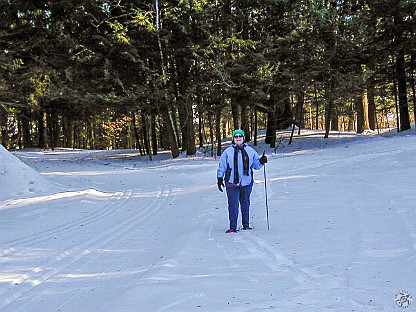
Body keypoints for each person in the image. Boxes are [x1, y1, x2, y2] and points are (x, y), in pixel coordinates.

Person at [217, 129, 267, 233]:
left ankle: (246, 224)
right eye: (236, 136)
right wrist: (219, 178)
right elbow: (222, 166)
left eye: (240, 136)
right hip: (231, 182)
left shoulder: (250, 151)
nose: (238, 138)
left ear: (243, 138)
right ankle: (233, 227)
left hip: (246, 182)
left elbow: (256, 165)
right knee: (233, 205)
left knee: (245, 204)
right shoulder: (228, 152)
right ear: (233, 139)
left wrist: (262, 161)